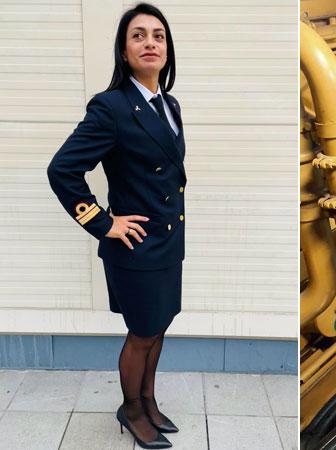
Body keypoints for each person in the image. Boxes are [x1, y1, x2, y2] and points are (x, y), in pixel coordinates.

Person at [47, 3, 186, 448]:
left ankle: (148, 399)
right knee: (141, 333)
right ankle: (130, 410)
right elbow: (62, 170)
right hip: (136, 246)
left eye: (158, 36)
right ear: (124, 52)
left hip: (168, 241)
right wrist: (103, 223)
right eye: (139, 35)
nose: (150, 43)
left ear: (167, 49)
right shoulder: (111, 107)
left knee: (159, 326)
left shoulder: (169, 103)